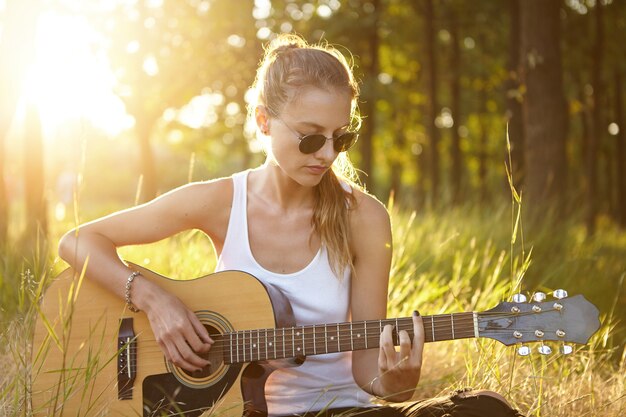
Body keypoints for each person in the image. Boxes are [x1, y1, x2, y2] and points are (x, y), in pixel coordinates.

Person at [58, 33, 524, 417]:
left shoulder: (364, 217)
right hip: (238, 411)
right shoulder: (220, 201)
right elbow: (78, 241)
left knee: (487, 411)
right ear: (264, 121)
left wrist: (397, 384)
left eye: (342, 137)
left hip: (343, 410)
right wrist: (154, 300)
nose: (327, 154)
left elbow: (369, 373)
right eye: (310, 138)